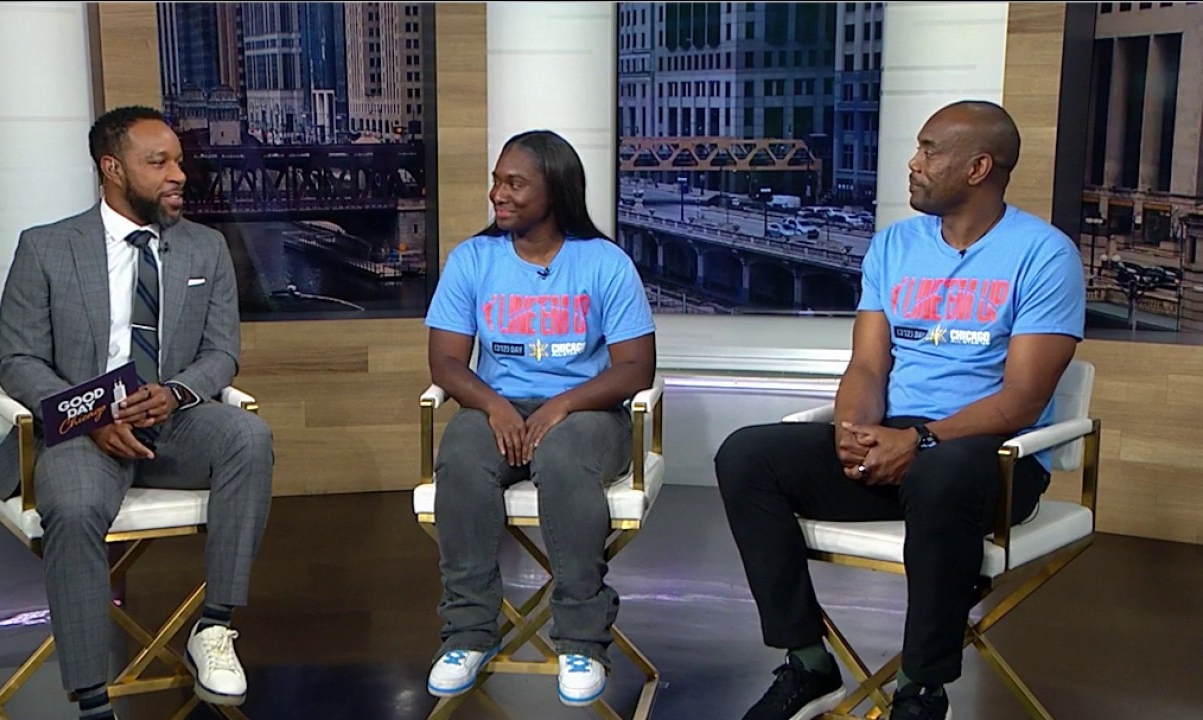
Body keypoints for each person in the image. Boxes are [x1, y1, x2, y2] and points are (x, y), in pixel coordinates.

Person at [713, 100, 1085, 720]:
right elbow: (867, 366)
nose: (913, 163)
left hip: (992, 458)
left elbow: (1023, 399)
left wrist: (923, 442)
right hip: (898, 445)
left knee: (944, 473)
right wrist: (854, 430)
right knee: (748, 455)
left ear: (978, 168)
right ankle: (808, 663)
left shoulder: (1044, 255)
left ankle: (920, 688)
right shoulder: (894, 245)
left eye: (929, 150)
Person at [0, 106, 274, 720]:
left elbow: (222, 353)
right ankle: (94, 700)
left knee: (248, 437)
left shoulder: (205, 247)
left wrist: (177, 391)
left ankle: (214, 627)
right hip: (80, 431)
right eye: (159, 162)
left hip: (172, 420)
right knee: (73, 509)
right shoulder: (46, 247)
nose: (179, 174)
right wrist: (92, 414)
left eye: (179, 161)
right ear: (112, 168)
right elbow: (17, 359)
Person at [422, 130, 656, 708]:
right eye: (496, 181)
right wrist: (494, 404)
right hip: (498, 405)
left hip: (588, 411)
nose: (498, 194)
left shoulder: (604, 263)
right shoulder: (473, 259)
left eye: (515, 184)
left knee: (564, 455)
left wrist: (563, 404)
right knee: (462, 453)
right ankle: (468, 633)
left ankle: (582, 641)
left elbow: (636, 368)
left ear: (555, 190)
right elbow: (445, 361)